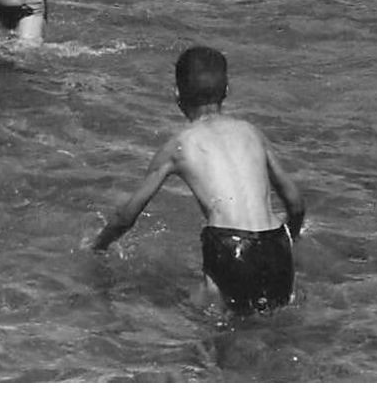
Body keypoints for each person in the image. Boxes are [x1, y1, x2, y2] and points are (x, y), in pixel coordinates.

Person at [93, 45, 306, 316]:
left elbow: (127, 216)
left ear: (176, 95)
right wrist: (291, 240)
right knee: (271, 327)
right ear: (227, 91)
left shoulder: (179, 145)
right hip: (276, 243)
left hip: (230, 245)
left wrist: (98, 246)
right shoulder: (251, 133)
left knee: (203, 328)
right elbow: (296, 204)